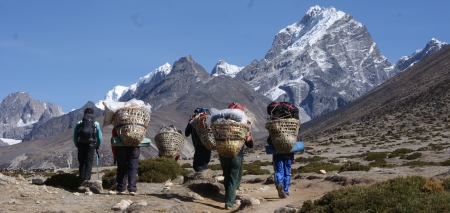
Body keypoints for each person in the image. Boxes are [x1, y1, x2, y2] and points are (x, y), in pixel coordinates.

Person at [219, 102, 254, 210]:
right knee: (234, 179)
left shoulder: (221, 123)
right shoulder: (244, 124)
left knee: (227, 176)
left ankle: (228, 196)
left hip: (223, 154)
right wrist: (249, 132)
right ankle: (229, 202)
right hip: (236, 155)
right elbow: (250, 144)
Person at [267, 101, 300, 198]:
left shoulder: (275, 128)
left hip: (277, 152)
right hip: (289, 152)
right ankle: (286, 190)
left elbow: (269, 141)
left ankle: (279, 184)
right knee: (287, 172)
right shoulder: (291, 129)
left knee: (278, 171)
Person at [73, 108, 103, 184]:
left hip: (81, 143)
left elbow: (75, 134)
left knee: (82, 162)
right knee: (89, 162)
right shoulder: (96, 123)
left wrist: (77, 144)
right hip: (91, 144)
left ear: (84, 114)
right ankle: (87, 179)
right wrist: (98, 145)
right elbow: (99, 136)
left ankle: (81, 179)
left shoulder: (80, 122)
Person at [111, 127, 140, 195]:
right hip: (134, 147)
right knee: (133, 168)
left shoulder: (117, 126)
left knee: (122, 167)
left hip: (121, 147)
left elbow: (114, 141)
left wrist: (115, 154)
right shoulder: (137, 126)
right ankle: (132, 188)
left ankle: (121, 188)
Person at [185, 108, 212, 172]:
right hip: (208, 147)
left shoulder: (194, 123)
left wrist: (190, 121)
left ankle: (200, 179)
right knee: (204, 164)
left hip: (199, 147)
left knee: (197, 165)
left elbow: (187, 133)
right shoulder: (209, 123)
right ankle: (204, 178)